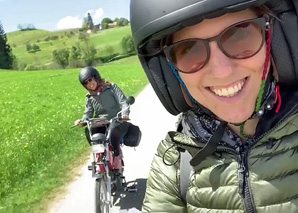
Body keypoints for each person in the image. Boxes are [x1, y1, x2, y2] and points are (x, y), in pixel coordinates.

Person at [130, 0, 298, 212]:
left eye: (240, 34)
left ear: (272, 39)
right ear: (172, 72)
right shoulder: (174, 164)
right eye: (189, 50)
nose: (222, 72)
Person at [75, 66, 130, 170]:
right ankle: (99, 156)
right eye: (86, 83)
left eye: (90, 80)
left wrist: (125, 114)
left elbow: (123, 102)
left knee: (113, 131)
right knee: (89, 130)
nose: (89, 84)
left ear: (96, 77)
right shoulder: (89, 98)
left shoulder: (111, 88)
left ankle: (117, 155)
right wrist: (82, 121)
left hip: (118, 120)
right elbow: (88, 113)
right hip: (101, 122)